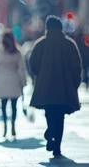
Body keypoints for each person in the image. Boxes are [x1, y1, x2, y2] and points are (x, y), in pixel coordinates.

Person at [29, 16, 82, 157]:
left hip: (45, 88)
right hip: (64, 88)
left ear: (47, 28)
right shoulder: (69, 44)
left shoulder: (40, 44)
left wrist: (40, 78)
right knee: (60, 117)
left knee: (49, 113)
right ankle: (57, 145)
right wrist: (74, 85)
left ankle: (49, 132)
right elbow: (76, 68)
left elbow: (33, 65)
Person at [0, 31, 27, 137]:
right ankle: (13, 125)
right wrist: (24, 82)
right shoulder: (17, 51)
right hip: (14, 80)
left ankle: (5, 125)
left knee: (3, 105)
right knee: (14, 106)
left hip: (1, 80)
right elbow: (22, 69)